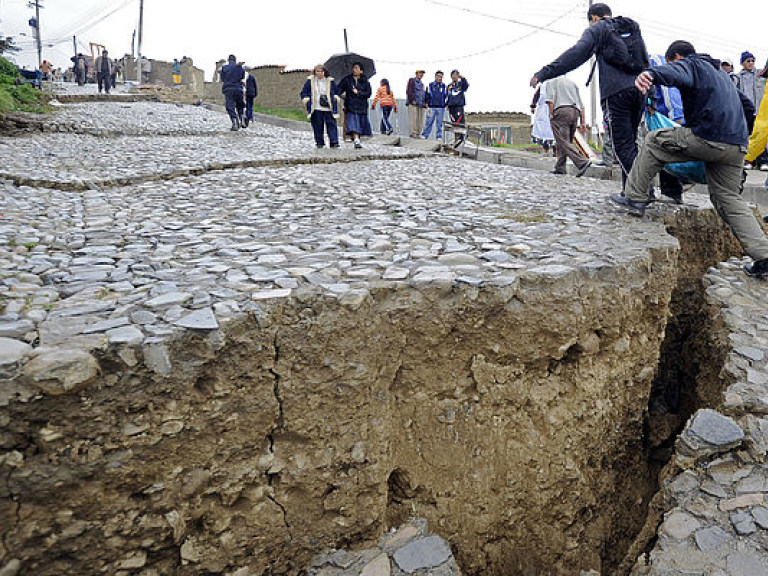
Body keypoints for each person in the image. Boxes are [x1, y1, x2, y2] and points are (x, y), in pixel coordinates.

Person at [610, 40, 768, 278]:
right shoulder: (723, 76)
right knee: (728, 198)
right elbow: (746, 105)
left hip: (708, 137)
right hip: (735, 145)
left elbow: (676, 72)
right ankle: (764, 256)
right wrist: (739, 134)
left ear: (676, 56)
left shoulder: (691, 64)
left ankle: (635, 197)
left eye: (672, 61)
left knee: (653, 141)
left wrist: (650, 73)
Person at [531, 3, 648, 192]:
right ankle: (630, 191)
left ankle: (639, 193)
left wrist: (544, 72)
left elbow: (576, 54)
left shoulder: (597, 29)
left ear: (593, 17)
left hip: (615, 92)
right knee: (632, 143)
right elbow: (644, 58)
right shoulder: (631, 27)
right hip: (640, 89)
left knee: (622, 146)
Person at [545, 75, 591, 176]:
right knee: (566, 142)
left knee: (562, 141)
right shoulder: (572, 83)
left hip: (561, 111)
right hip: (575, 112)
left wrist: (551, 114)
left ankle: (581, 161)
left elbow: (550, 100)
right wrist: (583, 122)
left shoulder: (551, 81)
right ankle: (560, 167)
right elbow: (581, 105)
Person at [300, 64, 340, 148]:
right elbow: (304, 92)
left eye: (321, 71)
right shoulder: (310, 81)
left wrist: (335, 97)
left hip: (328, 106)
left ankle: (334, 141)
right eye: (317, 71)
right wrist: (306, 99)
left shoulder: (330, 81)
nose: (319, 73)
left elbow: (336, 91)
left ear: (325, 72)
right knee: (317, 125)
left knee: (331, 124)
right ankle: (319, 142)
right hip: (316, 106)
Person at [338, 62, 372, 149]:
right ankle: (356, 139)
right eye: (354, 68)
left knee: (360, 123)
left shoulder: (365, 81)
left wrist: (359, 93)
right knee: (353, 122)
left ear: (361, 71)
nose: (354, 70)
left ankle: (357, 138)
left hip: (362, 106)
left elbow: (368, 93)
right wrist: (338, 96)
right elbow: (339, 89)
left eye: (357, 68)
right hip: (350, 105)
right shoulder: (347, 80)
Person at [220, 54, 246, 131]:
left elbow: (223, 78)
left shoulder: (224, 68)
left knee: (230, 106)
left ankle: (235, 122)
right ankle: (242, 118)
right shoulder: (240, 67)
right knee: (240, 105)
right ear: (235, 60)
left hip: (228, 89)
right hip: (238, 89)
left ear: (228, 60)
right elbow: (242, 77)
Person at [446, 69, 469, 146]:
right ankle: (457, 137)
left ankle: (462, 138)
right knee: (454, 122)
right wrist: (447, 104)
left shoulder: (461, 84)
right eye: (453, 75)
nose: (454, 76)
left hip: (459, 106)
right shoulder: (449, 86)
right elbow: (447, 96)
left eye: (456, 75)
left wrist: (463, 78)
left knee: (460, 121)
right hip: (451, 106)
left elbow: (466, 86)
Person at [531, 84, 555, 156]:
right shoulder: (542, 87)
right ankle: (545, 150)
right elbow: (536, 97)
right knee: (543, 132)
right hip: (542, 111)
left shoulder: (556, 85)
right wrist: (533, 106)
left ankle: (555, 150)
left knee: (554, 132)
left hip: (554, 110)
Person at [422, 71, 447, 140]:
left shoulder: (444, 86)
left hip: (441, 108)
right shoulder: (431, 85)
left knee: (439, 124)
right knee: (429, 122)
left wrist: (446, 104)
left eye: (441, 77)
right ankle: (425, 135)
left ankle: (439, 137)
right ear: (435, 77)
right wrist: (426, 102)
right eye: (438, 76)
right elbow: (427, 94)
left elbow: (446, 96)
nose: (440, 78)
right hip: (431, 106)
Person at [406, 69, 427, 138]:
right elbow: (409, 90)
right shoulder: (411, 80)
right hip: (413, 103)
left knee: (420, 119)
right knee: (413, 119)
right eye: (420, 73)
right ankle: (413, 133)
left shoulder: (422, 84)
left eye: (422, 73)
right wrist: (412, 99)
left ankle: (419, 133)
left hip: (420, 104)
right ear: (416, 73)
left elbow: (423, 94)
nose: (421, 74)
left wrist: (425, 103)